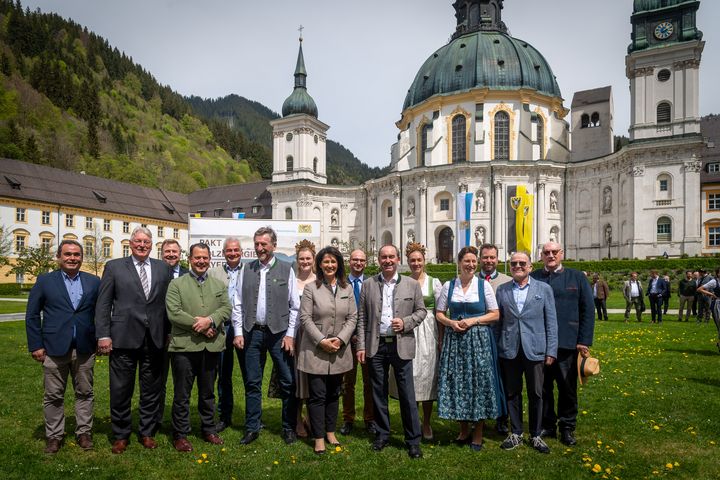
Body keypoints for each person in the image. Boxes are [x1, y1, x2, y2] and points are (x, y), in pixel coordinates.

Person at [95, 226, 173, 454]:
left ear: (152, 245)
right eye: (138, 241)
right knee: (121, 389)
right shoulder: (114, 267)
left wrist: (168, 332)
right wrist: (103, 334)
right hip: (122, 337)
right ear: (131, 243)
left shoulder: (162, 268)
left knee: (151, 390)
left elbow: (167, 304)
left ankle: (147, 432)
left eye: (146, 242)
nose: (142, 245)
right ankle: (121, 434)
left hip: (155, 338)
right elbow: (103, 304)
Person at [25, 240, 101, 454]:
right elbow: (32, 315)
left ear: (82, 258)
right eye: (67, 254)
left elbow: (100, 312)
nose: (72, 258)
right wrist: (36, 344)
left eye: (77, 255)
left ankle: (84, 433)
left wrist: (102, 337)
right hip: (53, 347)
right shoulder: (45, 281)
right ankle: (54, 436)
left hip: (85, 348)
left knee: (85, 392)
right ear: (58, 257)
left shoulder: (94, 282)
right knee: (54, 395)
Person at [231, 226, 300, 445]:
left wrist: (290, 335)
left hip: (279, 333)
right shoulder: (246, 269)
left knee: (288, 382)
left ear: (273, 245)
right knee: (252, 382)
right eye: (257, 244)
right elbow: (238, 303)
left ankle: (289, 427)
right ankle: (252, 427)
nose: (260, 248)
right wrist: (239, 332)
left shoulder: (287, 269)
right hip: (252, 333)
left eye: (264, 244)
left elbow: (295, 307)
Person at [357, 244, 427, 459]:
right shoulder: (368, 284)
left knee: (407, 394)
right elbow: (362, 318)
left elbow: (422, 311)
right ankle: (382, 434)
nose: (387, 260)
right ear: (378, 260)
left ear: (398, 260)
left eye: (391, 257)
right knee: (378, 392)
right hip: (376, 346)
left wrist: (406, 322)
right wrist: (360, 345)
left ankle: (413, 440)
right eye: (383, 257)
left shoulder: (411, 284)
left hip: (401, 344)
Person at [436, 246, 504, 451]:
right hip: (455, 340)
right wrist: (450, 323)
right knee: (458, 382)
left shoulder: (484, 286)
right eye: (467, 261)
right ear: (459, 263)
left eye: (474, 261)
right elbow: (439, 313)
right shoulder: (449, 286)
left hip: (478, 341)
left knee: (478, 383)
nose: (471, 265)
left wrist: (473, 320)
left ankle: (478, 432)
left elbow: (495, 314)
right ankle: (463, 429)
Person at [165, 243, 231, 452]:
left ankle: (208, 429)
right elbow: (174, 313)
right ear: (190, 259)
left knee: (207, 393)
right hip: (184, 348)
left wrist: (211, 320)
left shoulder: (219, 285)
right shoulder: (176, 284)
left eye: (205, 257)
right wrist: (202, 327)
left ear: (209, 259)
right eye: (197, 258)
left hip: (210, 348)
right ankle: (181, 434)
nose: (201, 261)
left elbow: (226, 308)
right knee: (182, 394)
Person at [530, 241, 594, 447]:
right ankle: (548, 423)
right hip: (541, 342)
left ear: (561, 254)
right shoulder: (534, 278)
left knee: (567, 387)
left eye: (554, 252)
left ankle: (567, 427)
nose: (550, 255)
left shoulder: (576, 277)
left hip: (568, 343)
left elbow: (588, 310)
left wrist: (584, 340)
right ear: (541, 256)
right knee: (543, 387)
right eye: (546, 252)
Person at [495, 251, 557, 454]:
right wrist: (497, 347)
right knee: (512, 393)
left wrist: (551, 350)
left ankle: (536, 434)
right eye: (514, 263)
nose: (518, 266)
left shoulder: (544, 289)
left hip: (536, 349)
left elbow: (551, 322)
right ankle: (516, 432)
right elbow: (499, 322)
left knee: (536, 393)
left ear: (530, 266)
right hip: (509, 349)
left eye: (522, 263)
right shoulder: (502, 290)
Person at [297, 246, 357, 454]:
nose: (330, 265)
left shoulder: (346, 288)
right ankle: (319, 437)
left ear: (339, 264)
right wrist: (322, 340)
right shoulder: (311, 288)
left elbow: (352, 317)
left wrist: (340, 339)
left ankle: (331, 431)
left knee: (333, 393)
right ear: (319, 265)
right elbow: (305, 318)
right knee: (318, 395)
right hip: (316, 350)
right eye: (326, 262)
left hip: (339, 350)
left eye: (333, 262)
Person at [389, 242, 442, 441]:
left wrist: (441, 338)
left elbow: (439, 312)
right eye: (412, 260)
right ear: (407, 262)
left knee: (427, 376)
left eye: (419, 260)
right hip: (407, 331)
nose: (416, 263)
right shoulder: (401, 283)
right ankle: (412, 421)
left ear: (424, 261)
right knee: (410, 377)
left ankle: (426, 421)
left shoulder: (434, 282)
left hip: (428, 332)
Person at [207, 237, 243, 433]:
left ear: (241, 252)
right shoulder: (213, 273)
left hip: (243, 330)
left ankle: (253, 416)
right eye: (229, 250)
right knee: (223, 374)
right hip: (221, 328)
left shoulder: (249, 271)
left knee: (250, 375)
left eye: (236, 250)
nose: (232, 253)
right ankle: (224, 415)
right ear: (223, 253)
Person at [340, 249, 376, 436]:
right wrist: (349, 335)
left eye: (362, 260)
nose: (358, 263)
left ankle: (370, 419)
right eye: (355, 260)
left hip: (368, 340)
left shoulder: (372, 283)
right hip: (346, 341)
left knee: (369, 382)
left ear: (366, 263)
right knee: (348, 382)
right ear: (349, 261)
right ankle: (348, 418)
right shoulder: (341, 283)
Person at [155, 238, 189, 433]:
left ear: (180, 254)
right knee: (157, 382)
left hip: (183, 336)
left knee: (182, 383)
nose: (170, 254)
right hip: (158, 335)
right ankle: (156, 420)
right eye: (167, 251)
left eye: (174, 252)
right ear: (161, 254)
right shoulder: (155, 272)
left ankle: (179, 424)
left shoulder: (188, 274)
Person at [478, 243, 512, 434]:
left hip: (502, 338)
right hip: (478, 338)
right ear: (480, 259)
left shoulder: (507, 281)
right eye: (485, 257)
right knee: (481, 379)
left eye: (492, 257)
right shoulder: (472, 280)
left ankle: (502, 417)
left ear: (497, 259)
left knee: (503, 380)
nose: (489, 261)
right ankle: (480, 416)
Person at [292, 240, 316, 437]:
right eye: (302, 258)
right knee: (297, 376)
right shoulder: (292, 280)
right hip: (296, 334)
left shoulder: (320, 281)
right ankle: (298, 420)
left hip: (315, 335)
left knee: (313, 377)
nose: (305, 262)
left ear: (313, 260)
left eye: (308, 258)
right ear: (297, 260)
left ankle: (311, 416)